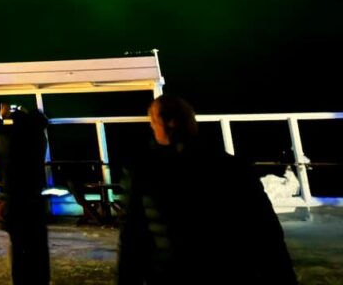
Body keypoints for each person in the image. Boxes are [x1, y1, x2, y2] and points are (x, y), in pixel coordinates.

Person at [117, 94, 297, 285]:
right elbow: (267, 234)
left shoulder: (141, 174)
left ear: (154, 125)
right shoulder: (231, 168)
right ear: (192, 123)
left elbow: (131, 242)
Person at [0, 103, 50, 285]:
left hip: (18, 206)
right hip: (36, 204)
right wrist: (22, 115)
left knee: (21, 254)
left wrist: (2, 117)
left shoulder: (15, 141)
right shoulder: (39, 139)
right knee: (39, 253)